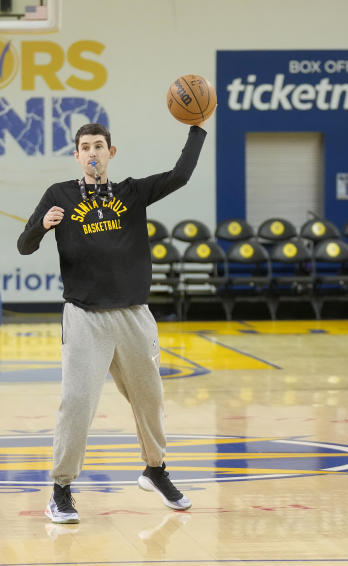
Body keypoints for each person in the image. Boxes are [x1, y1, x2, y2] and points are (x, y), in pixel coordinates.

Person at [17, 122, 206, 523]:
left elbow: (180, 175)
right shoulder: (60, 195)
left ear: (110, 153)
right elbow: (24, 245)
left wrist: (198, 129)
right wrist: (42, 225)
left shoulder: (131, 193)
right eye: (85, 147)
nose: (92, 153)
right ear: (76, 155)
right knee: (77, 403)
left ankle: (155, 470)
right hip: (85, 317)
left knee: (149, 399)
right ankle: (61, 490)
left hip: (133, 314)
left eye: (99, 146)